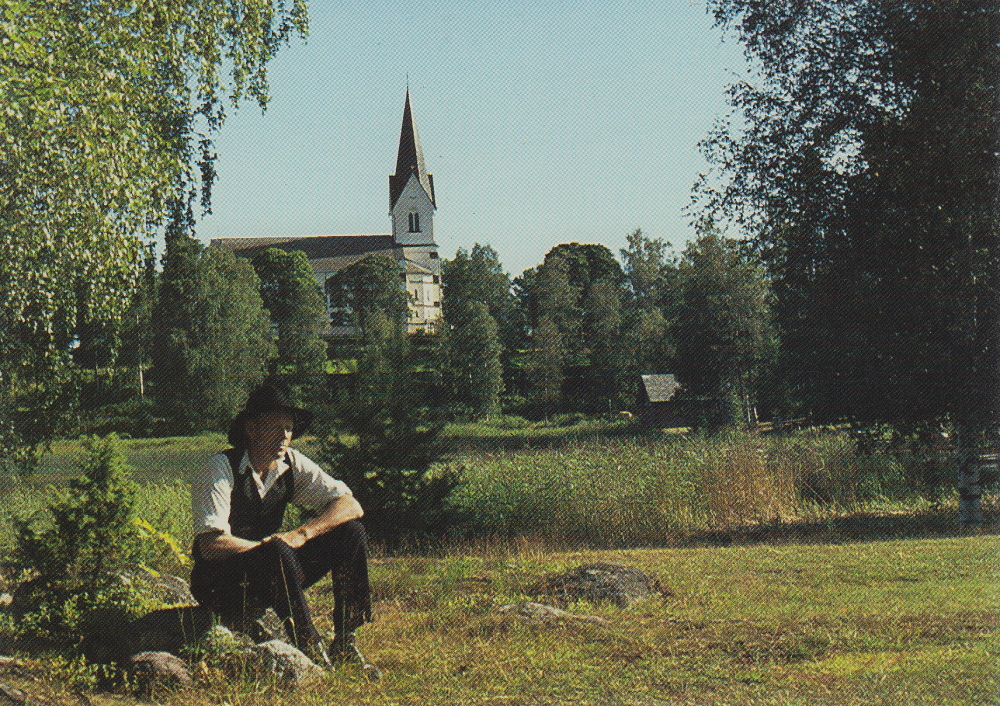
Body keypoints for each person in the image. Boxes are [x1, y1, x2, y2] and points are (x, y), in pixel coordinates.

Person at [189, 382, 374, 671]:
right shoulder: (220, 468)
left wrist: (303, 533)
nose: (285, 436)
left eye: (289, 428)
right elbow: (211, 545)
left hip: (275, 571)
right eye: (276, 427)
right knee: (277, 549)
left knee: (351, 533)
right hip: (223, 581)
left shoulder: (291, 464)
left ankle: (345, 641)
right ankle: (309, 643)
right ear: (251, 430)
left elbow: (351, 505)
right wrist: (268, 550)